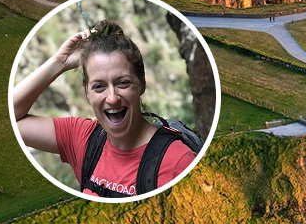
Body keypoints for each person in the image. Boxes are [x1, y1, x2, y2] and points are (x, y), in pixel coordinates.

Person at [13, 20, 197, 198]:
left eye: (123, 83)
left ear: (141, 84)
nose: (112, 98)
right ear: (86, 92)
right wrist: (59, 63)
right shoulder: (81, 138)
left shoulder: (179, 161)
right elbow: (9, 119)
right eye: (98, 86)